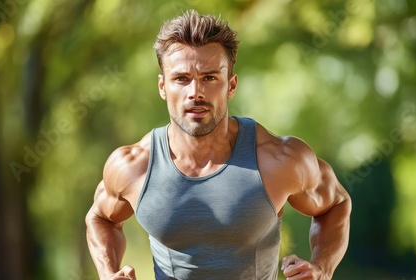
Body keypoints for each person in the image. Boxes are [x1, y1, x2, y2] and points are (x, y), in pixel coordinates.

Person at [86, 9, 351, 280]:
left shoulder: (279, 159)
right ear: (163, 86)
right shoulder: (133, 167)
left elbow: (336, 204)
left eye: (210, 78)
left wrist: (322, 268)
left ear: (231, 85)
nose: (195, 92)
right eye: (181, 79)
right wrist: (108, 273)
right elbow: (100, 218)